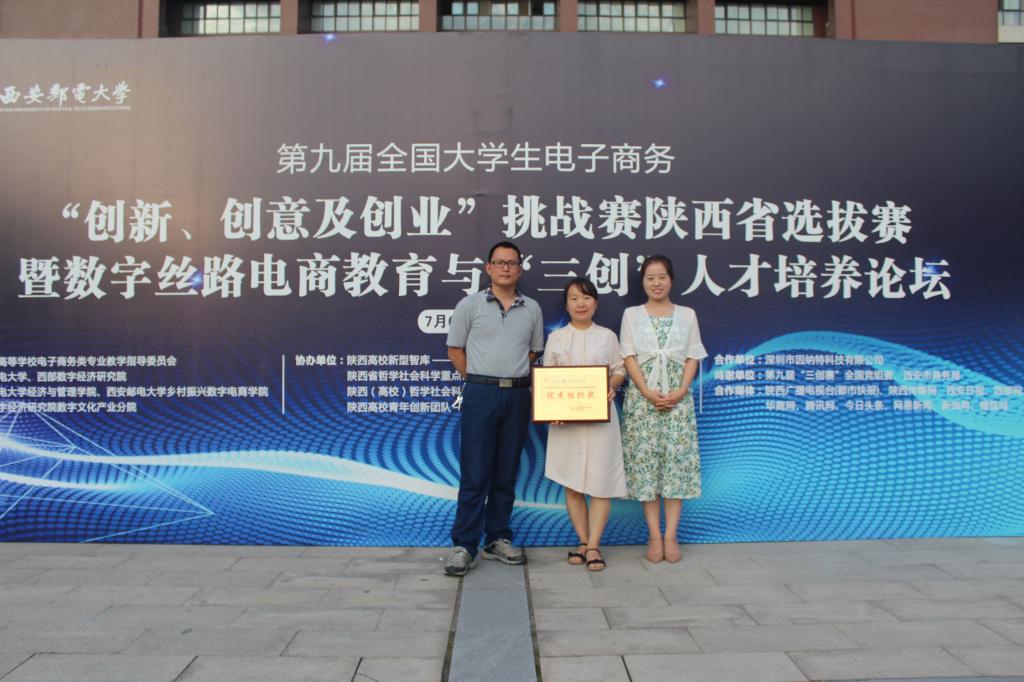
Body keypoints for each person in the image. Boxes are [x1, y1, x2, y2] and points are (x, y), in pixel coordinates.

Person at [444, 241, 545, 577]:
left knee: (506, 472)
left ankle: (497, 538)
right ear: (488, 268)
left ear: (519, 269)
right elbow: (455, 349)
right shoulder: (469, 305)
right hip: (480, 395)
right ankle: (464, 544)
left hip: (517, 395)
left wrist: (508, 376)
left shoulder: (532, 308)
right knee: (475, 473)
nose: (505, 268)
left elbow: (533, 353)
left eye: (511, 263)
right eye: (499, 262)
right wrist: (479, 379)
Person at [620, 255, 707, 564]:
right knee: (647, 468)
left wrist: (681, 391)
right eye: (650, 278)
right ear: (643, 282)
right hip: (643, 401)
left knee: (675, 468)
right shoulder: (632, 314)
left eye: (662, 277)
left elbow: (693, 356)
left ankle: (671, 536)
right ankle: (654, 536)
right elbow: (628, 356)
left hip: (677, 402)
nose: (656, 283)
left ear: (671, 280)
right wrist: (646, 392)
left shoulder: (687, 314)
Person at [542, 277, 627, 572]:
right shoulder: (557, 338)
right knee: (573, 484)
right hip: (566, 422)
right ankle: (582, 540)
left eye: (587, 298)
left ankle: (593, 546)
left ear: (596, 304)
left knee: (601, 484)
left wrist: (610, 385)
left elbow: (620, 369)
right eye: (574, 298)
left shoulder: (607, 336)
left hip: (601, 418)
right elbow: (548, 377)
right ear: (566, 305)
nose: (581, 303)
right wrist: (551, 408)